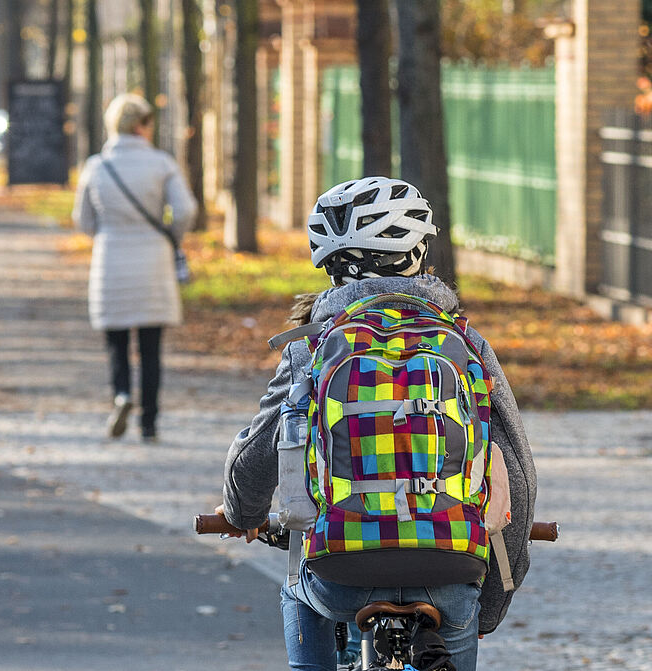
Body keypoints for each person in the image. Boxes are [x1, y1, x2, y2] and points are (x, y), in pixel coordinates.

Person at [217, 176, 537, 671]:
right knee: (457, 619)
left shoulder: (313, 347)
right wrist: (485, 605)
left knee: (298, 588)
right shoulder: (466, 345)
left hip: (341, 572)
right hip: (451, 567)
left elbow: (261, 451)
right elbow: (514, 470)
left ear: (328, 265)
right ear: (419, 250)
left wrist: (242, 513)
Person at [72, 93, 197, 442]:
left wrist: (106, 232)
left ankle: (122, 395)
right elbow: (185, 209)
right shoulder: (161, 164)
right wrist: (170, 235)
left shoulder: (96, 166)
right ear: (142, 125)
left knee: (115, 340)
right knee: (151, 346)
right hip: (153, 260)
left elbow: (81, 219)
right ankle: (150, 422)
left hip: (110, 258)